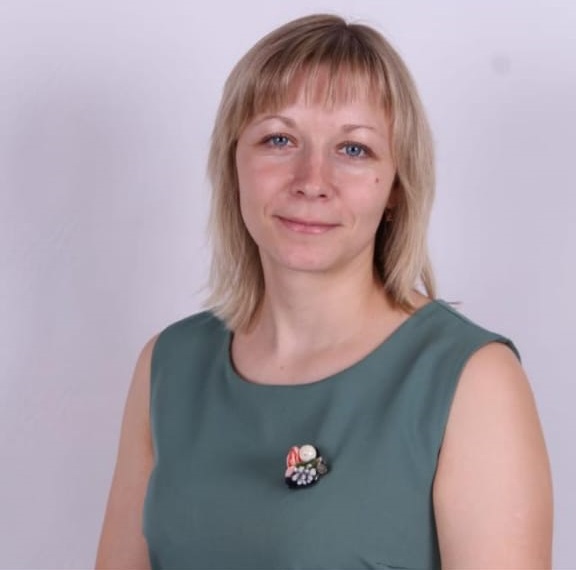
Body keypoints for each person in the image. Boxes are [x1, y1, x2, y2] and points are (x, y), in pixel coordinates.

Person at [95, 13, 553, 569]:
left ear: (396, 186)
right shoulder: (169, 365)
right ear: (234, 163)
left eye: (353, 149)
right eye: (279, 139)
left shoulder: (472, 380)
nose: (312, 180)